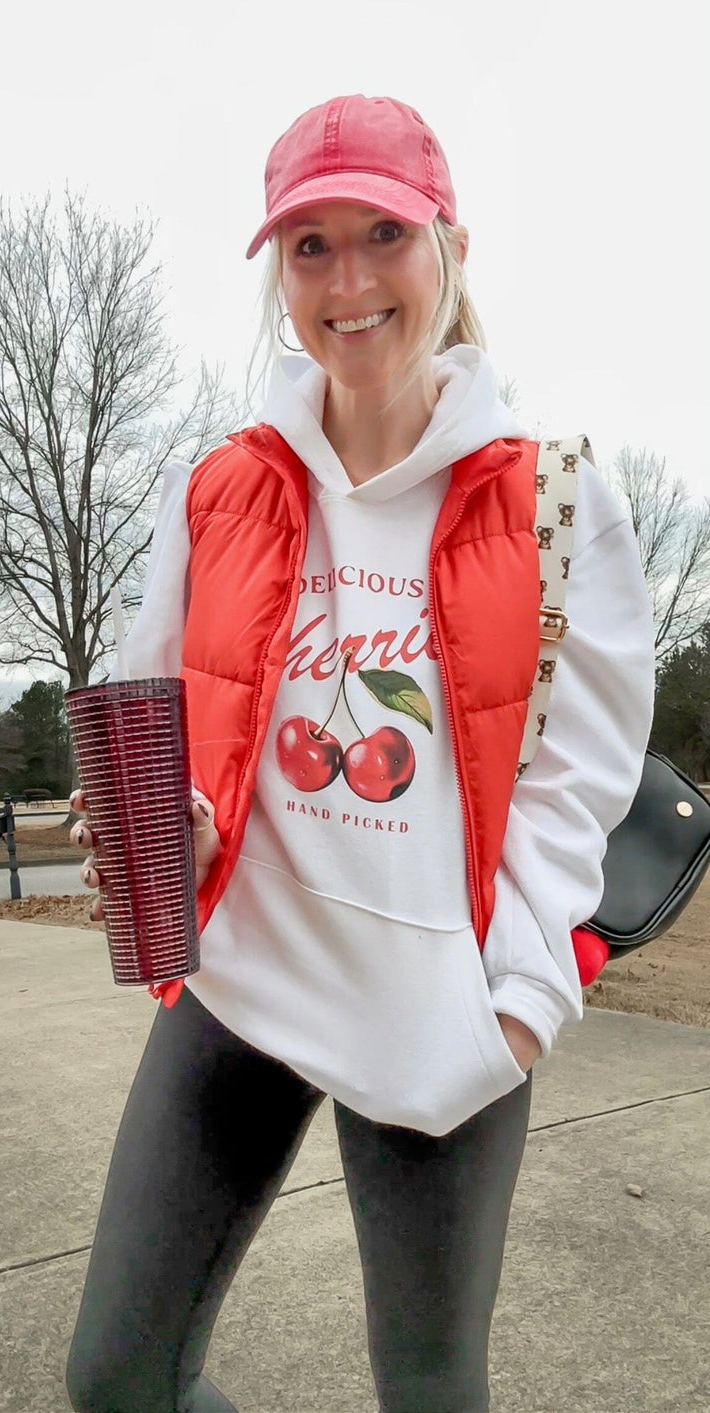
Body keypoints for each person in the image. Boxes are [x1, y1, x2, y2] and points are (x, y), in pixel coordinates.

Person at [65, 94, 655, 1413]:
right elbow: (167, 708)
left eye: (382, 232)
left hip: (437, 1012)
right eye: (309, 247)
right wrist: (185, 825)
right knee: (117, 1376)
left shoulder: (551, 498)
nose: (349, 280)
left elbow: (582, 779)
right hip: (246, 985)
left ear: (449, 242)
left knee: (432, 1394)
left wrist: (516, 1008)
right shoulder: (217, 488)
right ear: (281, 274)